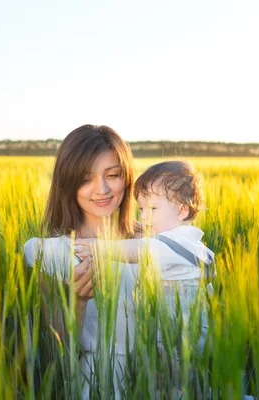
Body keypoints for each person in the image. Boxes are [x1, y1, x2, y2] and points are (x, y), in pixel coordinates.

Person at [22, 124, 139, 399]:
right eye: (86, 179)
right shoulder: (45, 253)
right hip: (99, 386)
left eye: (113, 175)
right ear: (68, 183)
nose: (102, 189)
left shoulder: (155, 242)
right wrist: (76, 303)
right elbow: (51, 355)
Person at [74, 160, 216, 354]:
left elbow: (142, 250)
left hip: (183, 337)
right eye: (141, 209)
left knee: (176, 377)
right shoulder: (174, 242)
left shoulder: (182, 243)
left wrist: (100, 247)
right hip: (165, 332)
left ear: (182, 211)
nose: (144, 217)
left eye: (152, 209)